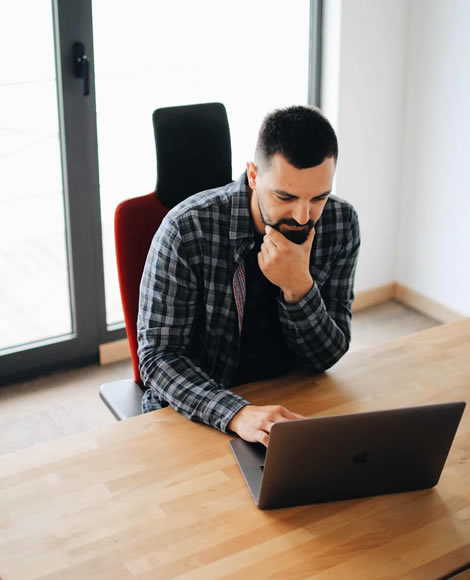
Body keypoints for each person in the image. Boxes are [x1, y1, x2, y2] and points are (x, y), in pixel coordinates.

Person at [138, 105, 360, 446]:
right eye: (285, 196)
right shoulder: (186, 229)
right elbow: (157, 359)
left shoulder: (340, 223)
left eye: (319, 197)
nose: (303, 216)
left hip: (289, 401)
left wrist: (298, 286)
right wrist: (236, 413)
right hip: (199, 411)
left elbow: (327, 357)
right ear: (254, 175)